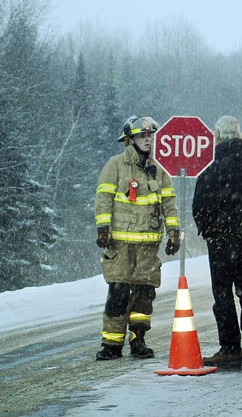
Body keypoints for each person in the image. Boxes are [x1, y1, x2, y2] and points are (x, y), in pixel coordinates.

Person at [94, 116, 180, 360]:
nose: (148, 139)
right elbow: (103, 199)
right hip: (120, 246)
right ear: (130, 140)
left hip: (147, 247)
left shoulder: (159, 171)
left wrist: (173, 232)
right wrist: (103, 228)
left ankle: (138, 340)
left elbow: (169, 205)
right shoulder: (116, 166)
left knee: (144, 296)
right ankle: (111, 344)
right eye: (142, 136)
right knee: (119, 293)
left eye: (150, 135)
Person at [193, 116, 242, 366]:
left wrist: (209, 231)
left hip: (221, 241)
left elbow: (199, 203)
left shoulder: (211, 162)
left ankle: (230, 346)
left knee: (222, 293)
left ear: (217, 135)